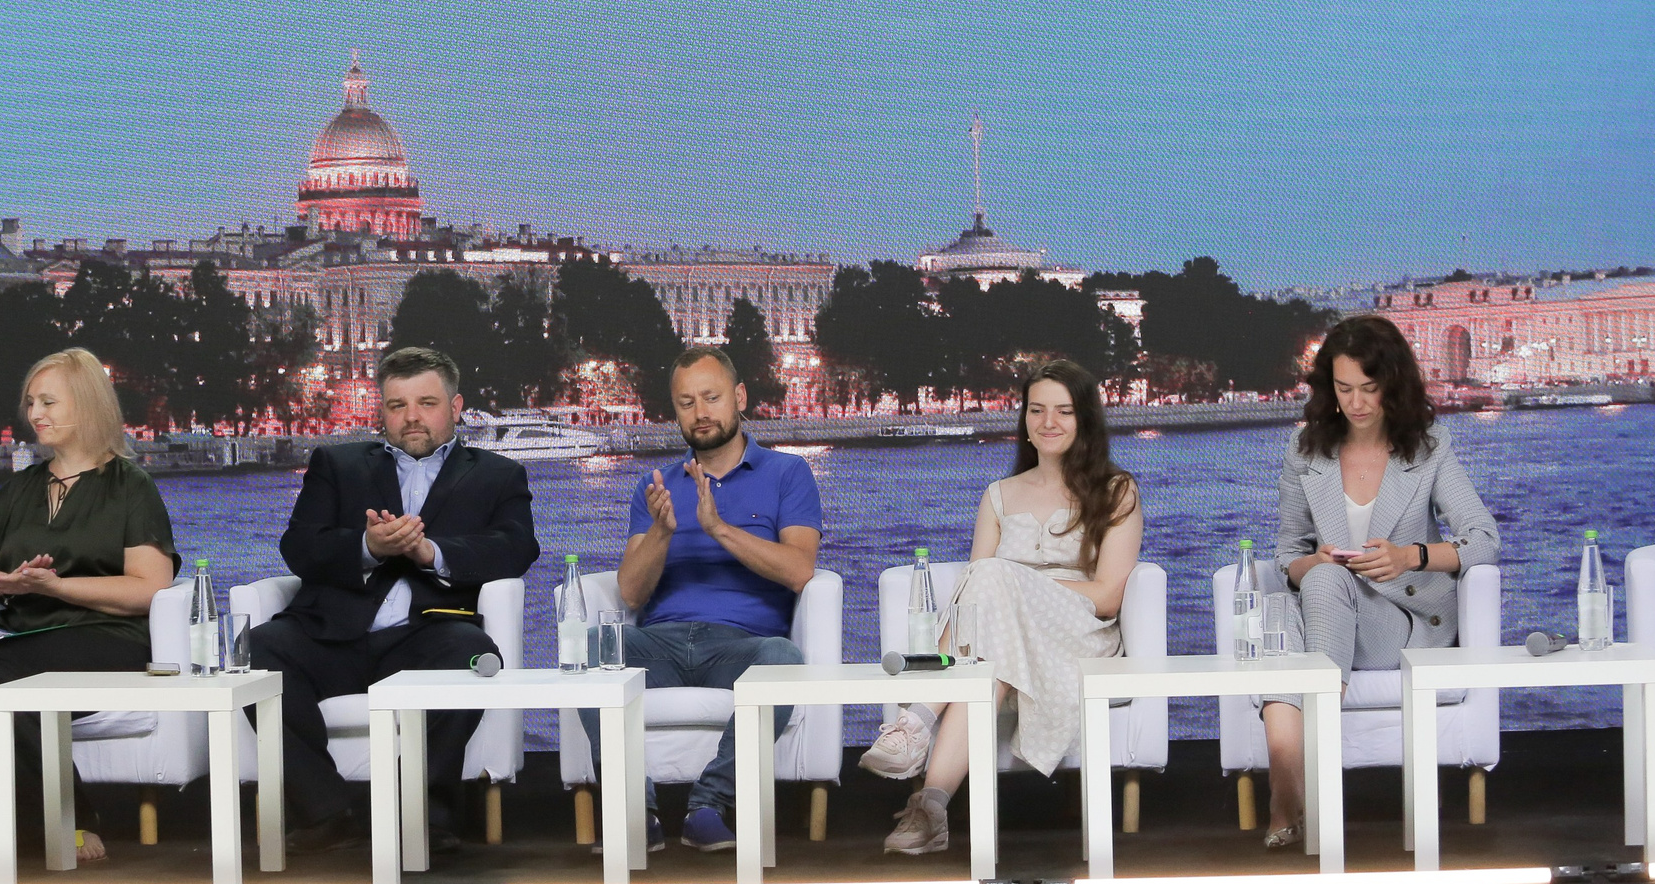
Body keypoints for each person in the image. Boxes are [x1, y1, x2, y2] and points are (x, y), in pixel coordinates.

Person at [249, 345, 538, 854]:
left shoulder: (497, 474)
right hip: (332, 634)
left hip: (430, 636)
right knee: (256, 650)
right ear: (381, 411)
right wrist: (366, 547)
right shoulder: (337, 464)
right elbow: (299, 546)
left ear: (455, 406)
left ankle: (425, 810)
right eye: (396, 405)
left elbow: (516, 549)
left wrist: (431, 552)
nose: (411, 418)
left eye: (426, 403)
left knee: (475, 655)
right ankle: (325, 810)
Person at [871, 358, 1143, 855]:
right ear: (1024, 421)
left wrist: (1023, 587)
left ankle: (914, 725)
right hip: (1002, 643)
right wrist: (1009, 595)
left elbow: (1107, 596)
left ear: (1084, 419)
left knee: (995, 578)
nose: (1048, 422)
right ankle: (930, 810)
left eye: (1063, 411)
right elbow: (974, 604)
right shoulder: (998, 495)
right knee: (988, 661)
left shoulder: (1117, 490)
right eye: (1036, 411)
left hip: (1079, 639)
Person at [1258, 314, 1499, 847]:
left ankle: (1294, 794)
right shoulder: (1306, 452)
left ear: (1393, 384)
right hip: (1331, 612)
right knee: (1288, 604)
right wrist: (1314, 563)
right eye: (1344, 389)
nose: (1358, 403)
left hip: (1406, 621)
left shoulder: (1429, 446)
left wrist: (1410, 556)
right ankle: (1286, 777)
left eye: (1370, 389)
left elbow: (1483, 537)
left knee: (1304, 606)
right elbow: (1286, 557)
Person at [0, 348, 178, 865]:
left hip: (108, 636)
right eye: (30, 403)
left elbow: (149, 586)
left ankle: (66, 818)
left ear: (87, 404)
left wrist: (58, 588)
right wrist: (2, 583)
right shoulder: (23, 486)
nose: (34, 414)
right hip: (28, 631)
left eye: (48, 402)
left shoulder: (129, 486)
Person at [591, 346, 824, 854]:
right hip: (663, 645)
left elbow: (799, 570)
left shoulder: (788, 474)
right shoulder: (655, 486)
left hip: (742, 647)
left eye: (712, 398)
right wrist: (661, 531)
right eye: (686, 402)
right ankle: (636, 813)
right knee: (595, 649)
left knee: (784, 659)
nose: (701, 413)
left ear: (738, 397)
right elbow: (630, 591)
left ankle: (708, 805)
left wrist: (717, 527)